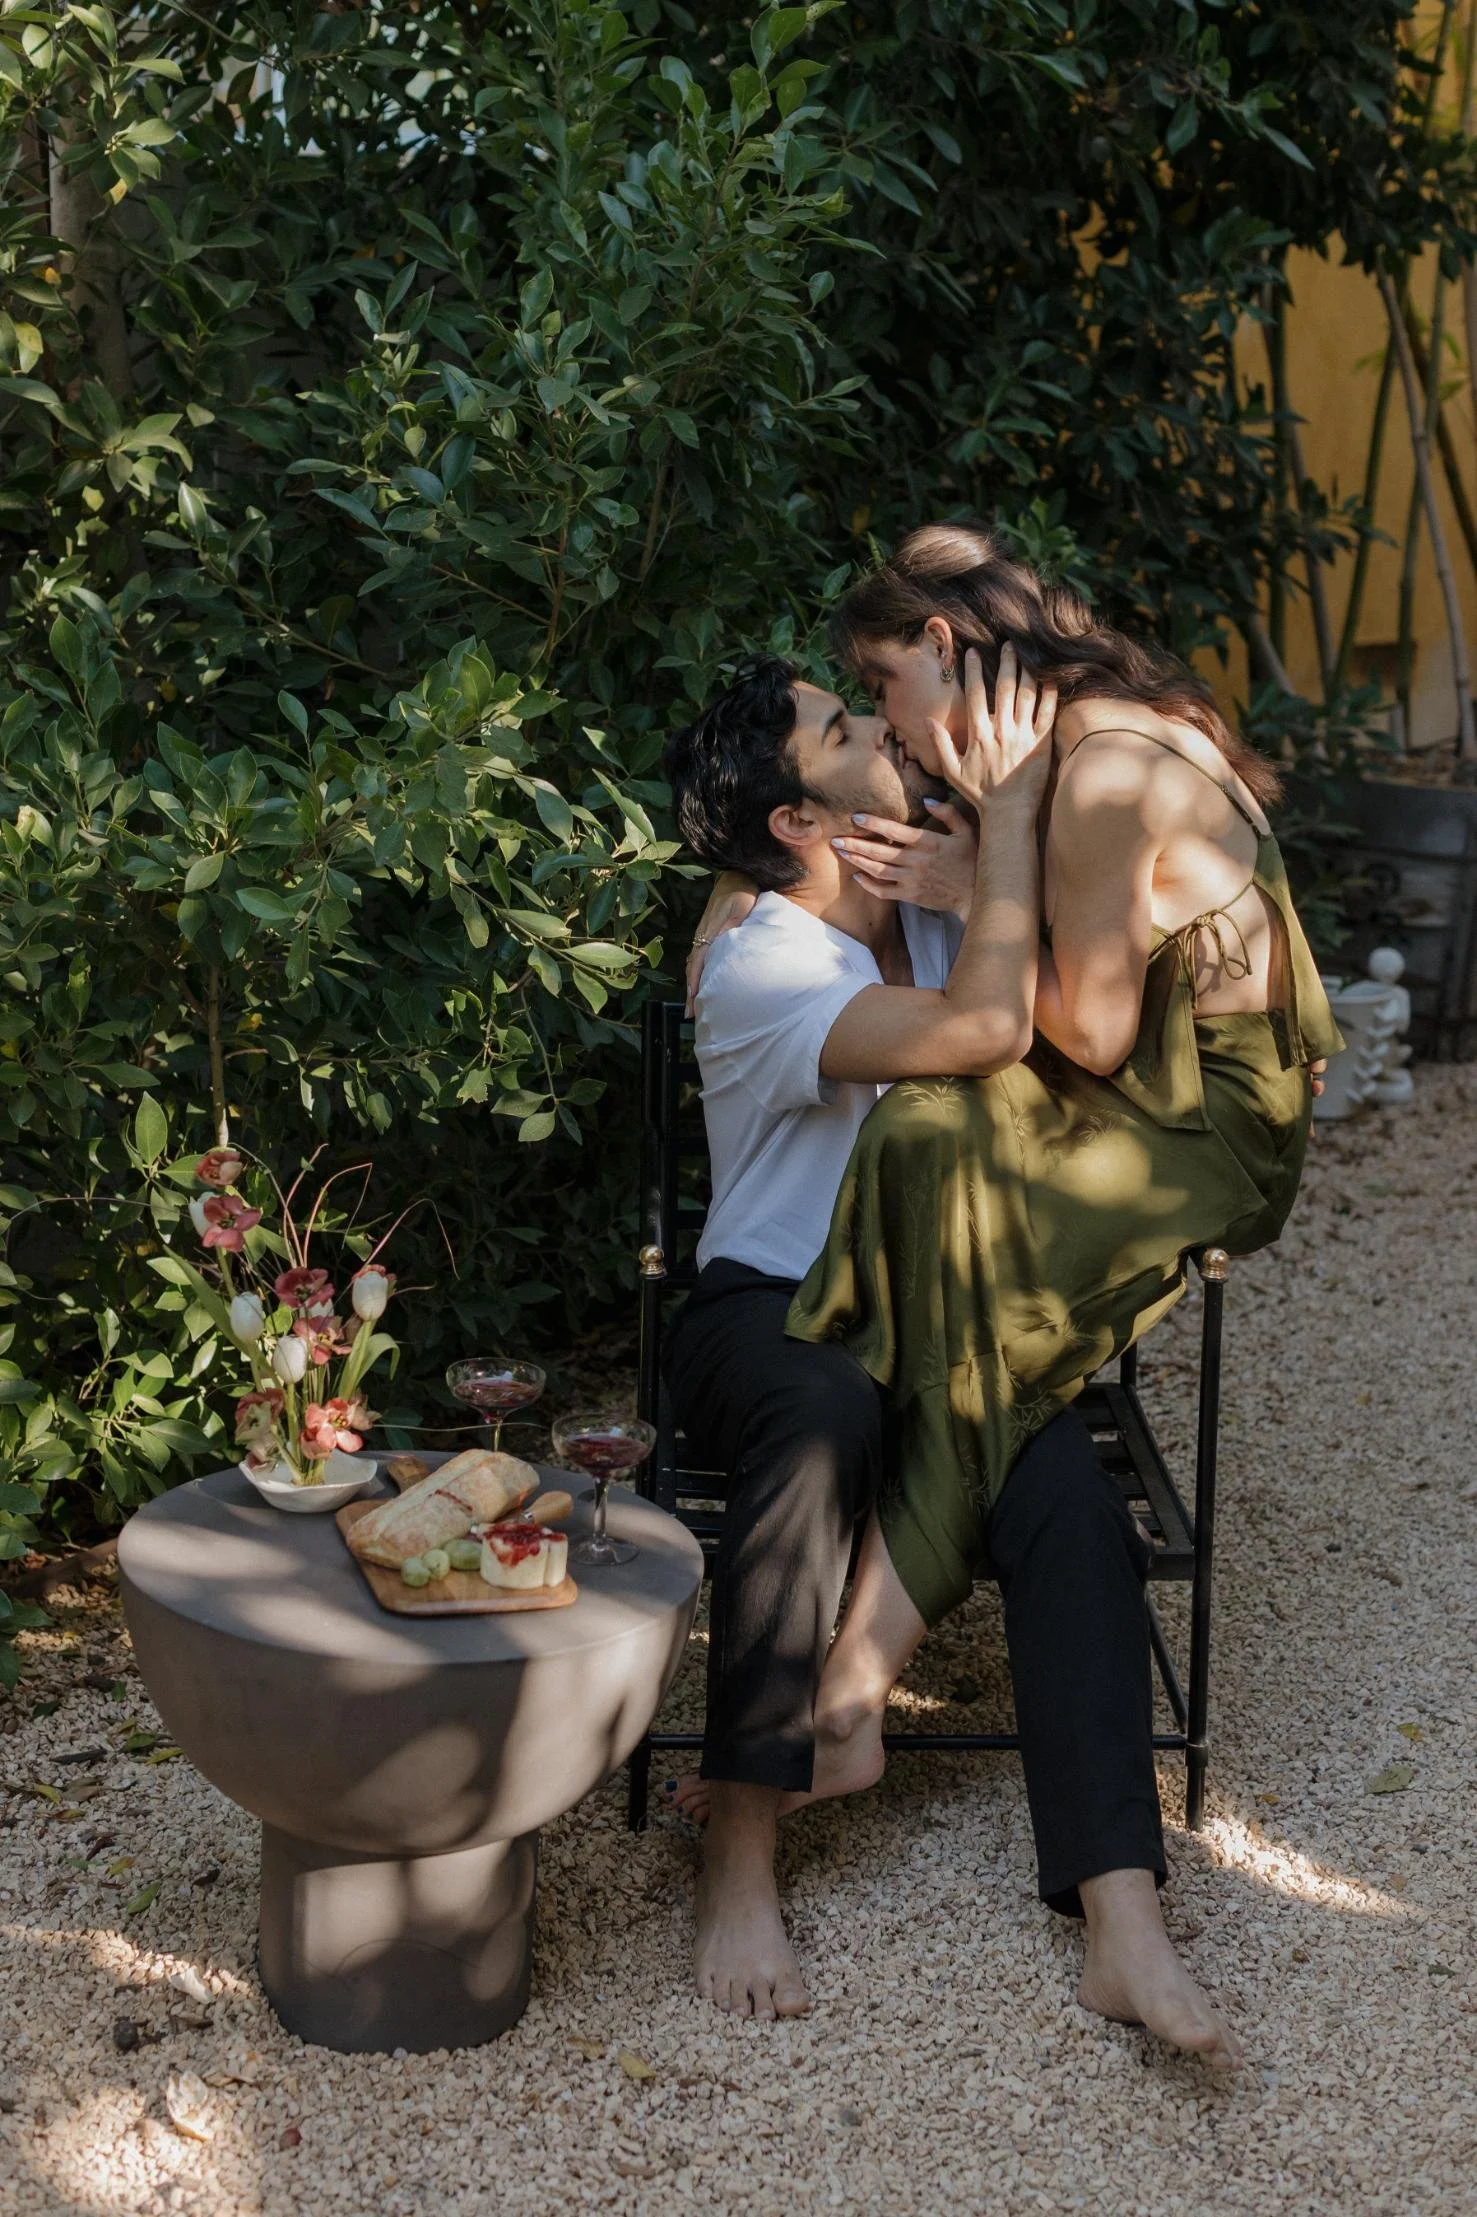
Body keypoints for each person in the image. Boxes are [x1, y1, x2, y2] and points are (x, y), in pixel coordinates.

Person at [662, 621, 1267, 2064]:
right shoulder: (762, 961)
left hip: (951, 1311)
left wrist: (992, 840)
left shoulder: (931, 893)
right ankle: (739, 1868)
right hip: (774, 1304)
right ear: (800, 824)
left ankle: (1125, 1920)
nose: (894, 742)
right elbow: (994, 1029)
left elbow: (1093, 963)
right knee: (820, 1428)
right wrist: (998, 830)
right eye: (849, 733)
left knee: (1067, 1499)